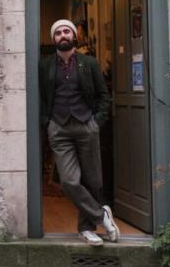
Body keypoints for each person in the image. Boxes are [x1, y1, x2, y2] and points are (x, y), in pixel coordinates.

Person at [39, 19, 119, 246]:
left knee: (92, 180)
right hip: (59, 128)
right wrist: (48, 122)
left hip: (86, 126)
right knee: (69, 181)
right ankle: (101, 215)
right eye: (58, 33)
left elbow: (104, 96)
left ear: (74, 36)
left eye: (67, 32)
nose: (62, 35)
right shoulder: (45, 66)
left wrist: (96, 122)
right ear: (54, 38)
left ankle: (87, 228)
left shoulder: (89, 63)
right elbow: (40, 97)